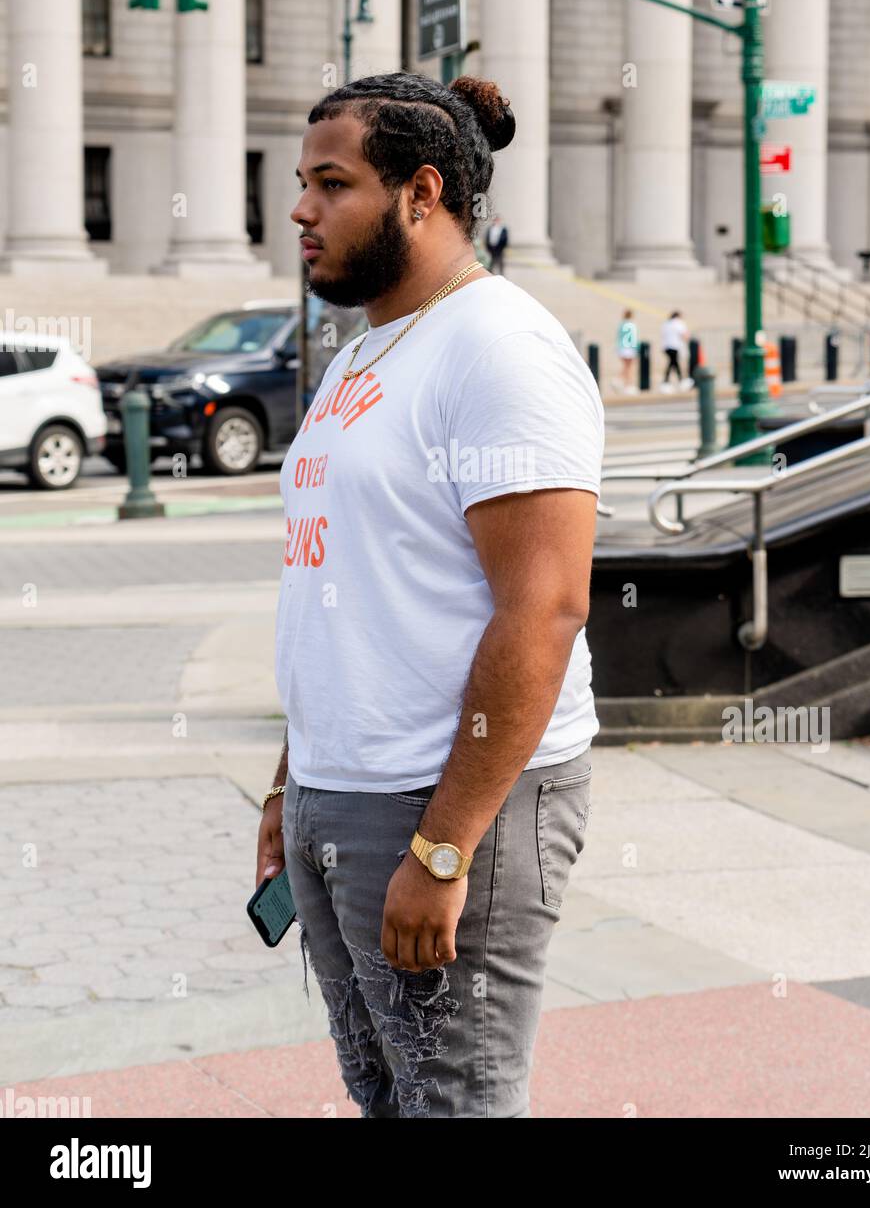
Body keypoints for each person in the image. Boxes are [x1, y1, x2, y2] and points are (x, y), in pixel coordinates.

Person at [258, 71, 604, 1119]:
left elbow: (543, 607)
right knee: (385, 1093)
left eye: (331, 183)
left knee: (456, 1101)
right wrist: (289, 783)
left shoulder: (500, 345)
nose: (300, 211)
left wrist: (446, 843)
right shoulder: (363, 353)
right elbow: (339, 585)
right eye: (303, 183)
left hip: (445, 806)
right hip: (342, 794)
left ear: (421, 193)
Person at [659, 310, 689, 392]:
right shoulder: (679, 323)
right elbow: (684, 335)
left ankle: (670, 381)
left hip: (666, 347)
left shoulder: (666, 323)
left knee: (673, 363)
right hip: (674, 346)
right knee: (673, 363)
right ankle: (677, 381)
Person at [615, 309, 638, 392]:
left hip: (622, 348)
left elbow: (618, 337)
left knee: (625, 366)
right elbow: (633, 338)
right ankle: (628, 385)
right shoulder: (632, 325)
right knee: (629, 367)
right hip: (629, 348)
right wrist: (636, 348)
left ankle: (620, 381)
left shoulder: (621, 324)